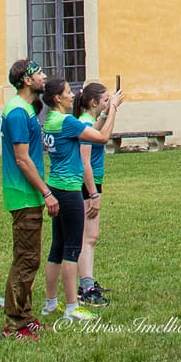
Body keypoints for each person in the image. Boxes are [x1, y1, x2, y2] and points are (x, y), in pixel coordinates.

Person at [41, 75, 123, 320]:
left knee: (56, 248)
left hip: (55, 186)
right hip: (70, 190)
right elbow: (101, 138)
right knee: (71, 249)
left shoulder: (51, 121)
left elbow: (89, 131)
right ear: (57, 98)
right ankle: (70, 307)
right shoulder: (67, 122)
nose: (72, 94)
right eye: (67, 91)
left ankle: (50, 303)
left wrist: (103, 115)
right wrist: (114, 109)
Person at [0, 59, 59, 341]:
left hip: (29, 194)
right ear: (26, 80)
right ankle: (14, 325)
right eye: (38, 73)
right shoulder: (17, 113)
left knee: (30, 258)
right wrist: (46, 192)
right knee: (25, 259)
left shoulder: (24, 110)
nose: (44, 76)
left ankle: (25, 316)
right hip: (23, 195)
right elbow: (22, 160)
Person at [73, 81, 121, 306]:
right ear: (93, 102)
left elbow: (99, 129)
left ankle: (88, 282)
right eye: (104, 100)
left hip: (93, 185)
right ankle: (86, 287)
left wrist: (108, 111)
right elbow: (84, 163)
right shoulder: (83, 122)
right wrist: (93, 194)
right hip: (88, 187)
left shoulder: (88, 121)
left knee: (91, 237)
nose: (107, 103)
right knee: (88, 239)